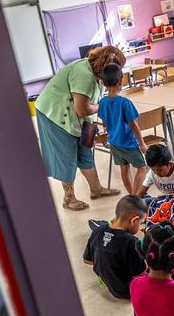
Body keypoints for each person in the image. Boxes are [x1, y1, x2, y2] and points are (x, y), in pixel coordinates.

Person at [84, 196, 174, 300]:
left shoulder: (98, 231)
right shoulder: (129, 241)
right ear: (134, 220)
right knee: (166, 260)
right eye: (141, 222)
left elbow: (88, 260)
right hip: (129, 289)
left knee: (161, 249)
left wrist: (110, 267)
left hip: (114, 286)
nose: (141, 225)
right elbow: (142, 271)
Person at [35, 45, 124, 211]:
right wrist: (104, 105)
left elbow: (90, 104)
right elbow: (82, 109)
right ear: (102, 65)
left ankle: (96, 189)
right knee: (67, 156)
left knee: (86, 150)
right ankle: (69, 198)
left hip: (82, 117)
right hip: (56, 114)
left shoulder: (99, 74)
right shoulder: (83, 74)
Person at [97, 64, 147, 195]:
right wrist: (142, 143)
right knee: (142, 168)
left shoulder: (102, 102)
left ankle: (132, 195)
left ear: (103, 83)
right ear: (121, 80)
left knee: (124, 169)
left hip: (114, 142)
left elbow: (104, 122)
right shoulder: (125, 102)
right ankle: (136, 197)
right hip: (128, 142)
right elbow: (133, 125)